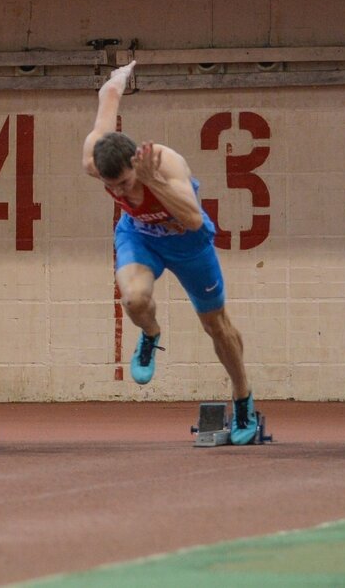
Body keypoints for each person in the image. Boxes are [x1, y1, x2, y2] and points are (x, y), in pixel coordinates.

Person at [82, 61, 259, 444]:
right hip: (140, 236)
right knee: (133, 297)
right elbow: (108, 98)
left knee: (217, 326)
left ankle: (243, 396)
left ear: (136, 164)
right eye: (114, 188)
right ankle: (150, 333)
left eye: (128, 182)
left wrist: (153, 181)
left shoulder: (166, 163)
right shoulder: (95, 161)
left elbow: (194, 219)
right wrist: (118, 76)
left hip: (186, 241)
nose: (124, 192)